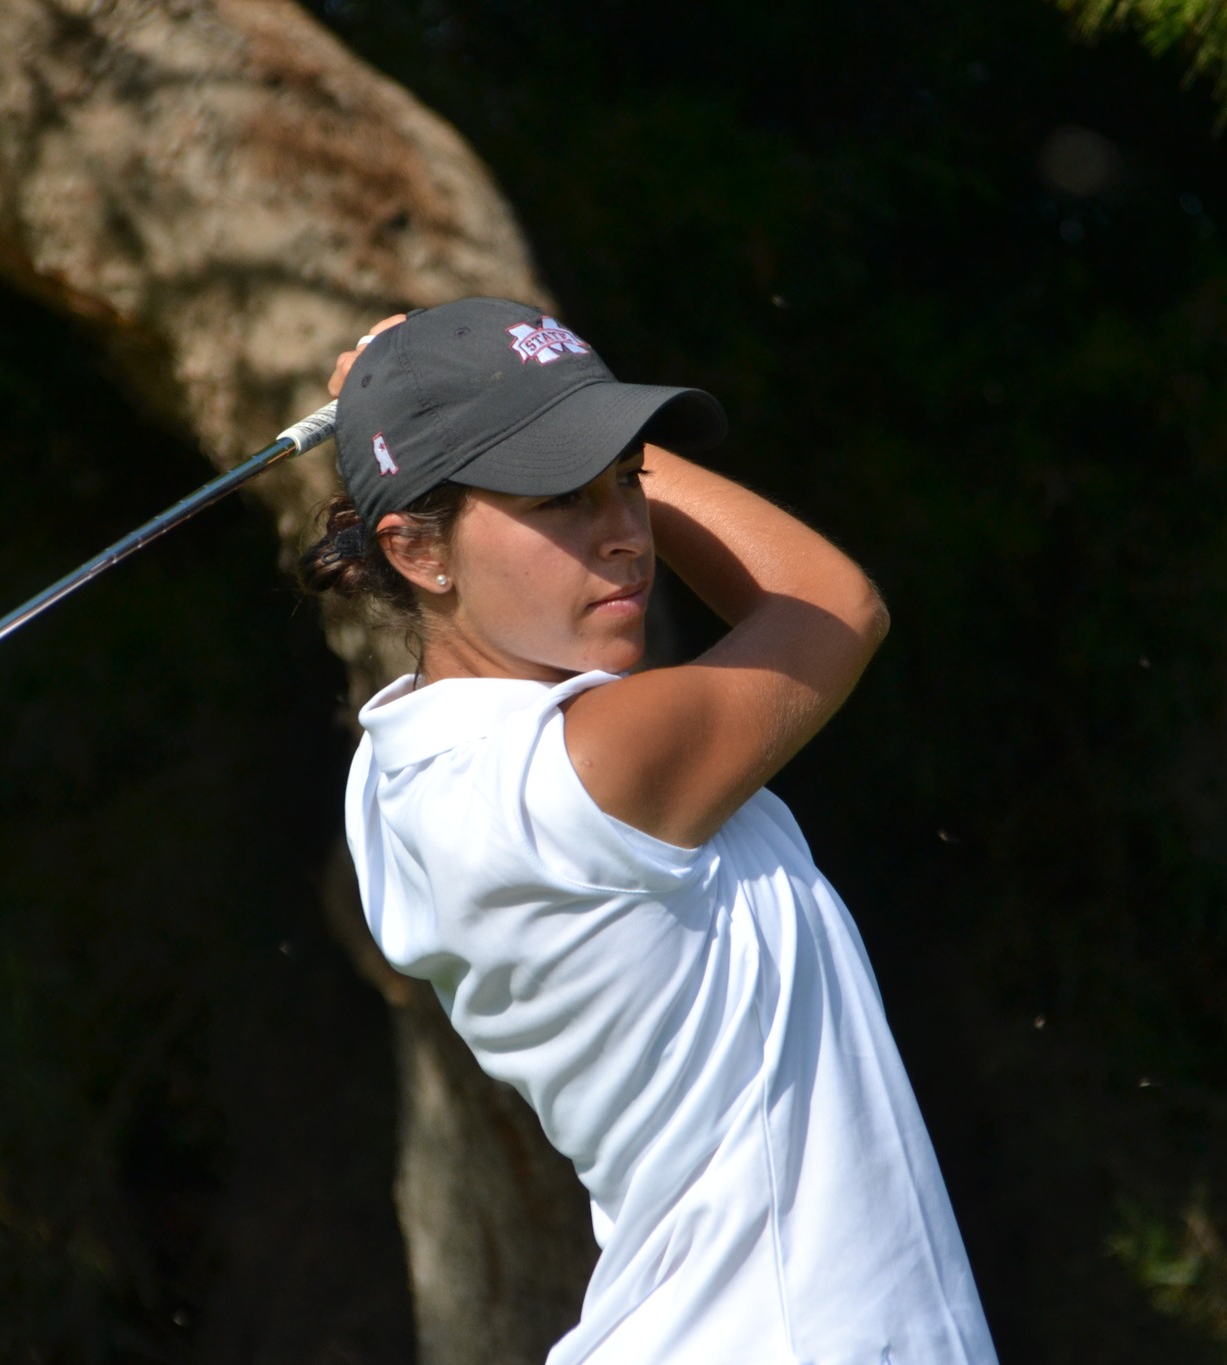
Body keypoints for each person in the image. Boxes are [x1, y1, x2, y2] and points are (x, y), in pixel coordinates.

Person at [303, 297, 997, 1365]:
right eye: (561, 497)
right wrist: (413, 410)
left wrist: (429, 426)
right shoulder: (580, 770)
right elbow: (831, 603)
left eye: (628, 480)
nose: (626, 533)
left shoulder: (399, 773)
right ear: (415, 550)